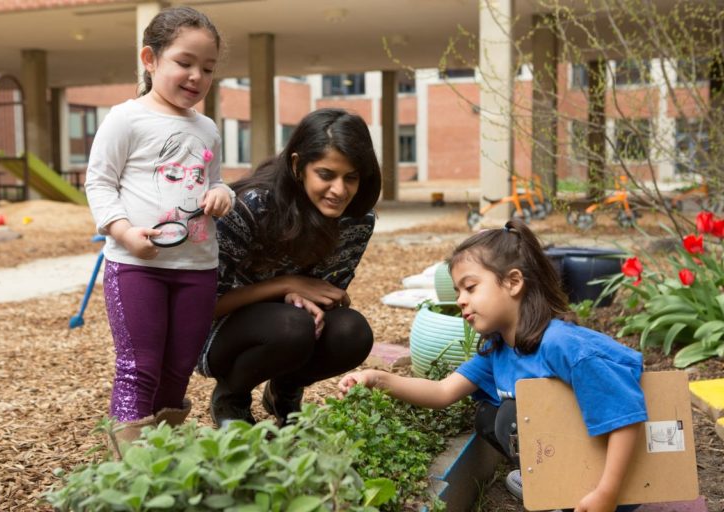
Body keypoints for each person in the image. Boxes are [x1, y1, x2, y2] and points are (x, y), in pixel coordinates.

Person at [339, 219, 646, 512]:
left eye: (470, 287)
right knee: (489, 416)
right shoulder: (500, 349)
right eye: (458, 291)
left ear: (513, 282)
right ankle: (548, 484)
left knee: (512, 416)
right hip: (578, 463)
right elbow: (443, 391)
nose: (460, 299)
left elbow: (624, 418)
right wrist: (378, 379)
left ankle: (566, 495)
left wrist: (607, 492)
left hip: (614, 483)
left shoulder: (562, 345)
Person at [85, 6, 235, 453]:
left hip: (197, 268)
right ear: (150, 59)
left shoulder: (206, 129)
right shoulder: (126, 119)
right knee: (139, 367)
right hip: (136, 266)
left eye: (207, 68)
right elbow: (99, 181)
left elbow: (213, 181)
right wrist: (123, 230)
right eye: (184, 63)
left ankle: (165, 461)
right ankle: (128, 470)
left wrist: (222, 193)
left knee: (178, 367)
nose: (196, 76)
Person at [196, 107, 382, 428]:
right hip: (221, 332)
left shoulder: (357, 220)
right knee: (293, 327)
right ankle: (231, 396)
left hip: (290, 324)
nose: (339, 190)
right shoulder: (254, 206)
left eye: (350, 177)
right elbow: (203, 306)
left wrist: (325, 302)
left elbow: (324, 293)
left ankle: (284, 389)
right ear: (298, 165)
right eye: (326, 174)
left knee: (353, 331)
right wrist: (285, 285)